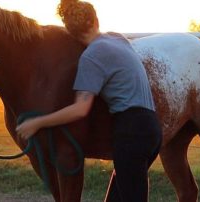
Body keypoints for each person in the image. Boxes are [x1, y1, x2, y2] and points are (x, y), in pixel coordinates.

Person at [16, 1, 162, 201]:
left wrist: (37, 122)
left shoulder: (91, 57)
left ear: (71, 33)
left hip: (130, 132)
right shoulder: (117, 38)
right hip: (152, 127)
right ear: (96, 20)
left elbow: (80, 109)